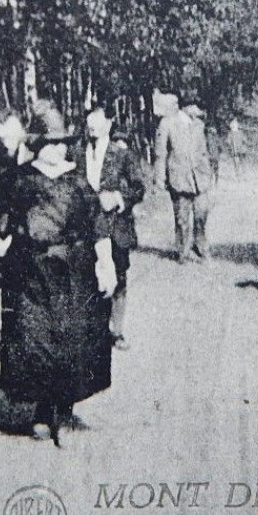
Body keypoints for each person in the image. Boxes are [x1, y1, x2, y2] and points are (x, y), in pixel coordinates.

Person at [0, 104, 117, 444]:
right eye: (51, 143)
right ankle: (42, 411)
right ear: (38, 144)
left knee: (73, 338)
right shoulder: (19, 179)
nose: (59, 149)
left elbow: (98, 226)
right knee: (35, 337)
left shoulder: (77, 182)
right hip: (30, 271)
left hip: (74, 269)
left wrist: (107, 263)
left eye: (63, 142)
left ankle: (64, 408)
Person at [82, 102, 146, 349]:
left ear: (109, 123)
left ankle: (116, 330)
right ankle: (93, 330)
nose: (92, 126)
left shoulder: (123, 154)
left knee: (118, 278)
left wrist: (119, 197)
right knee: (88, 277)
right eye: (89, 121)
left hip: (116, 226)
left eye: (97, 121)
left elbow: (138, 188)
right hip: (86, 226)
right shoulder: (77, 151)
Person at [157, 91, 216, 262]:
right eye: (196, 107)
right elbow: (161, 152)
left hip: (200, 178)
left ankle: (201, 245)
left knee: (202, 212)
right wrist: (160, 176)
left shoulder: (199, 124)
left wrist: (208, 169)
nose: (199, 110)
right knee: (182, 217)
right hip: (179, 177)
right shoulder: (167, 123)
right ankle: (182, 249)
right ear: (187, 107)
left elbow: (205, 149)